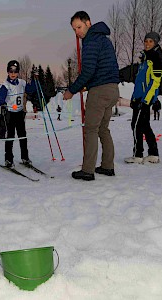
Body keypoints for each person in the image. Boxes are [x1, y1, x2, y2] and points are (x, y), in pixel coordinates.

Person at [62, 11, 120, 181]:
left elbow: (88, 70)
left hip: (100, 92)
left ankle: (87, 170)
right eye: (74, 30)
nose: (77, 32)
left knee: (91, 129)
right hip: (112, 89)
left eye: (79, 27)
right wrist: (87, 85)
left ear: (88, 23)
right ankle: (108, 166)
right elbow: (102, 68)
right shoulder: (103, 39)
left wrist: (72, 90)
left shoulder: (91, 41)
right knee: (103, 129)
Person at [125, 32, 162, 164]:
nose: (147, 44)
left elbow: (155, 83)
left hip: (144, 99)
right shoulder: (145, 59)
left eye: (150, 42)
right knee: (145, 126)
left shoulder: (156, 58)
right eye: (146, 41)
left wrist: (146, 100)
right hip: (138, 98)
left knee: (136, 125)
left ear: (156, 43)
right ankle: (153, 154)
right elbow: (139, 82)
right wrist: (133, 98)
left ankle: (138, 155)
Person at [0, 60, 36, 168]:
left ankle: (25, 157)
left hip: (20, 113)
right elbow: (0, 99)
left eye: (15, 71)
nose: (13, 73)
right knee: (11, 136)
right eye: (10, 71)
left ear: (18, 72)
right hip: (10, 113)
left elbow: (31, 90)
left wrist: (34, 78)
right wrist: (1, 99)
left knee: (23, 135)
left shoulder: (22, 83)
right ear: (8, 72)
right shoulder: (6, 85)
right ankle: (8, 159)